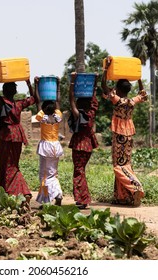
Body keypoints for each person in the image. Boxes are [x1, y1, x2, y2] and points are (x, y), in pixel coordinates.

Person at [0, 58, 37, 209]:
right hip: (16, 135)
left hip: (7, 135)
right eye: (14, 87)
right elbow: (34, 98)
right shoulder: (16, 103)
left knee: (7, 166)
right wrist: (29, 83)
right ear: (11, 91)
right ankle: (15, 193)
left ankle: (13, 193)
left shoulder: (3, 102)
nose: (14, 89)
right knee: (12, 165)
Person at [101, 56, 148, 207]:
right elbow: (142, 92)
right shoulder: (132, 101)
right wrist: (138, 77)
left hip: (119, 136)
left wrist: (106, 69)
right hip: (129, 136)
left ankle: (136, 188)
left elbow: (103, 86)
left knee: (118, 166)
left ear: (118, 90)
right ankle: (122, 197)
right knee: (126, 163)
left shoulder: (118, 101)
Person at [68, 72, 99, 209]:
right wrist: (95, 81)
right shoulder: (91, 113)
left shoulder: (78, 115)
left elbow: (71, 100)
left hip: (80, 145)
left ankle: (83, 199)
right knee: (81, 170)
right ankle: (82, 198)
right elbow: (94, 99)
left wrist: (73, 82)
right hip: (89, 145)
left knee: (78, 171)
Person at [34, 76, 64, 207]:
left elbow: (38, 101)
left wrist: (36, 85)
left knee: (44, 175)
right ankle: (57, 194)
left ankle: (47, 199)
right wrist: (58, 84)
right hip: (55, 146)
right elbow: (58, 101)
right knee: (53, 174)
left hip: (46, 147)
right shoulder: (58, 116)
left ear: (44, 109)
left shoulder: (43, 117)